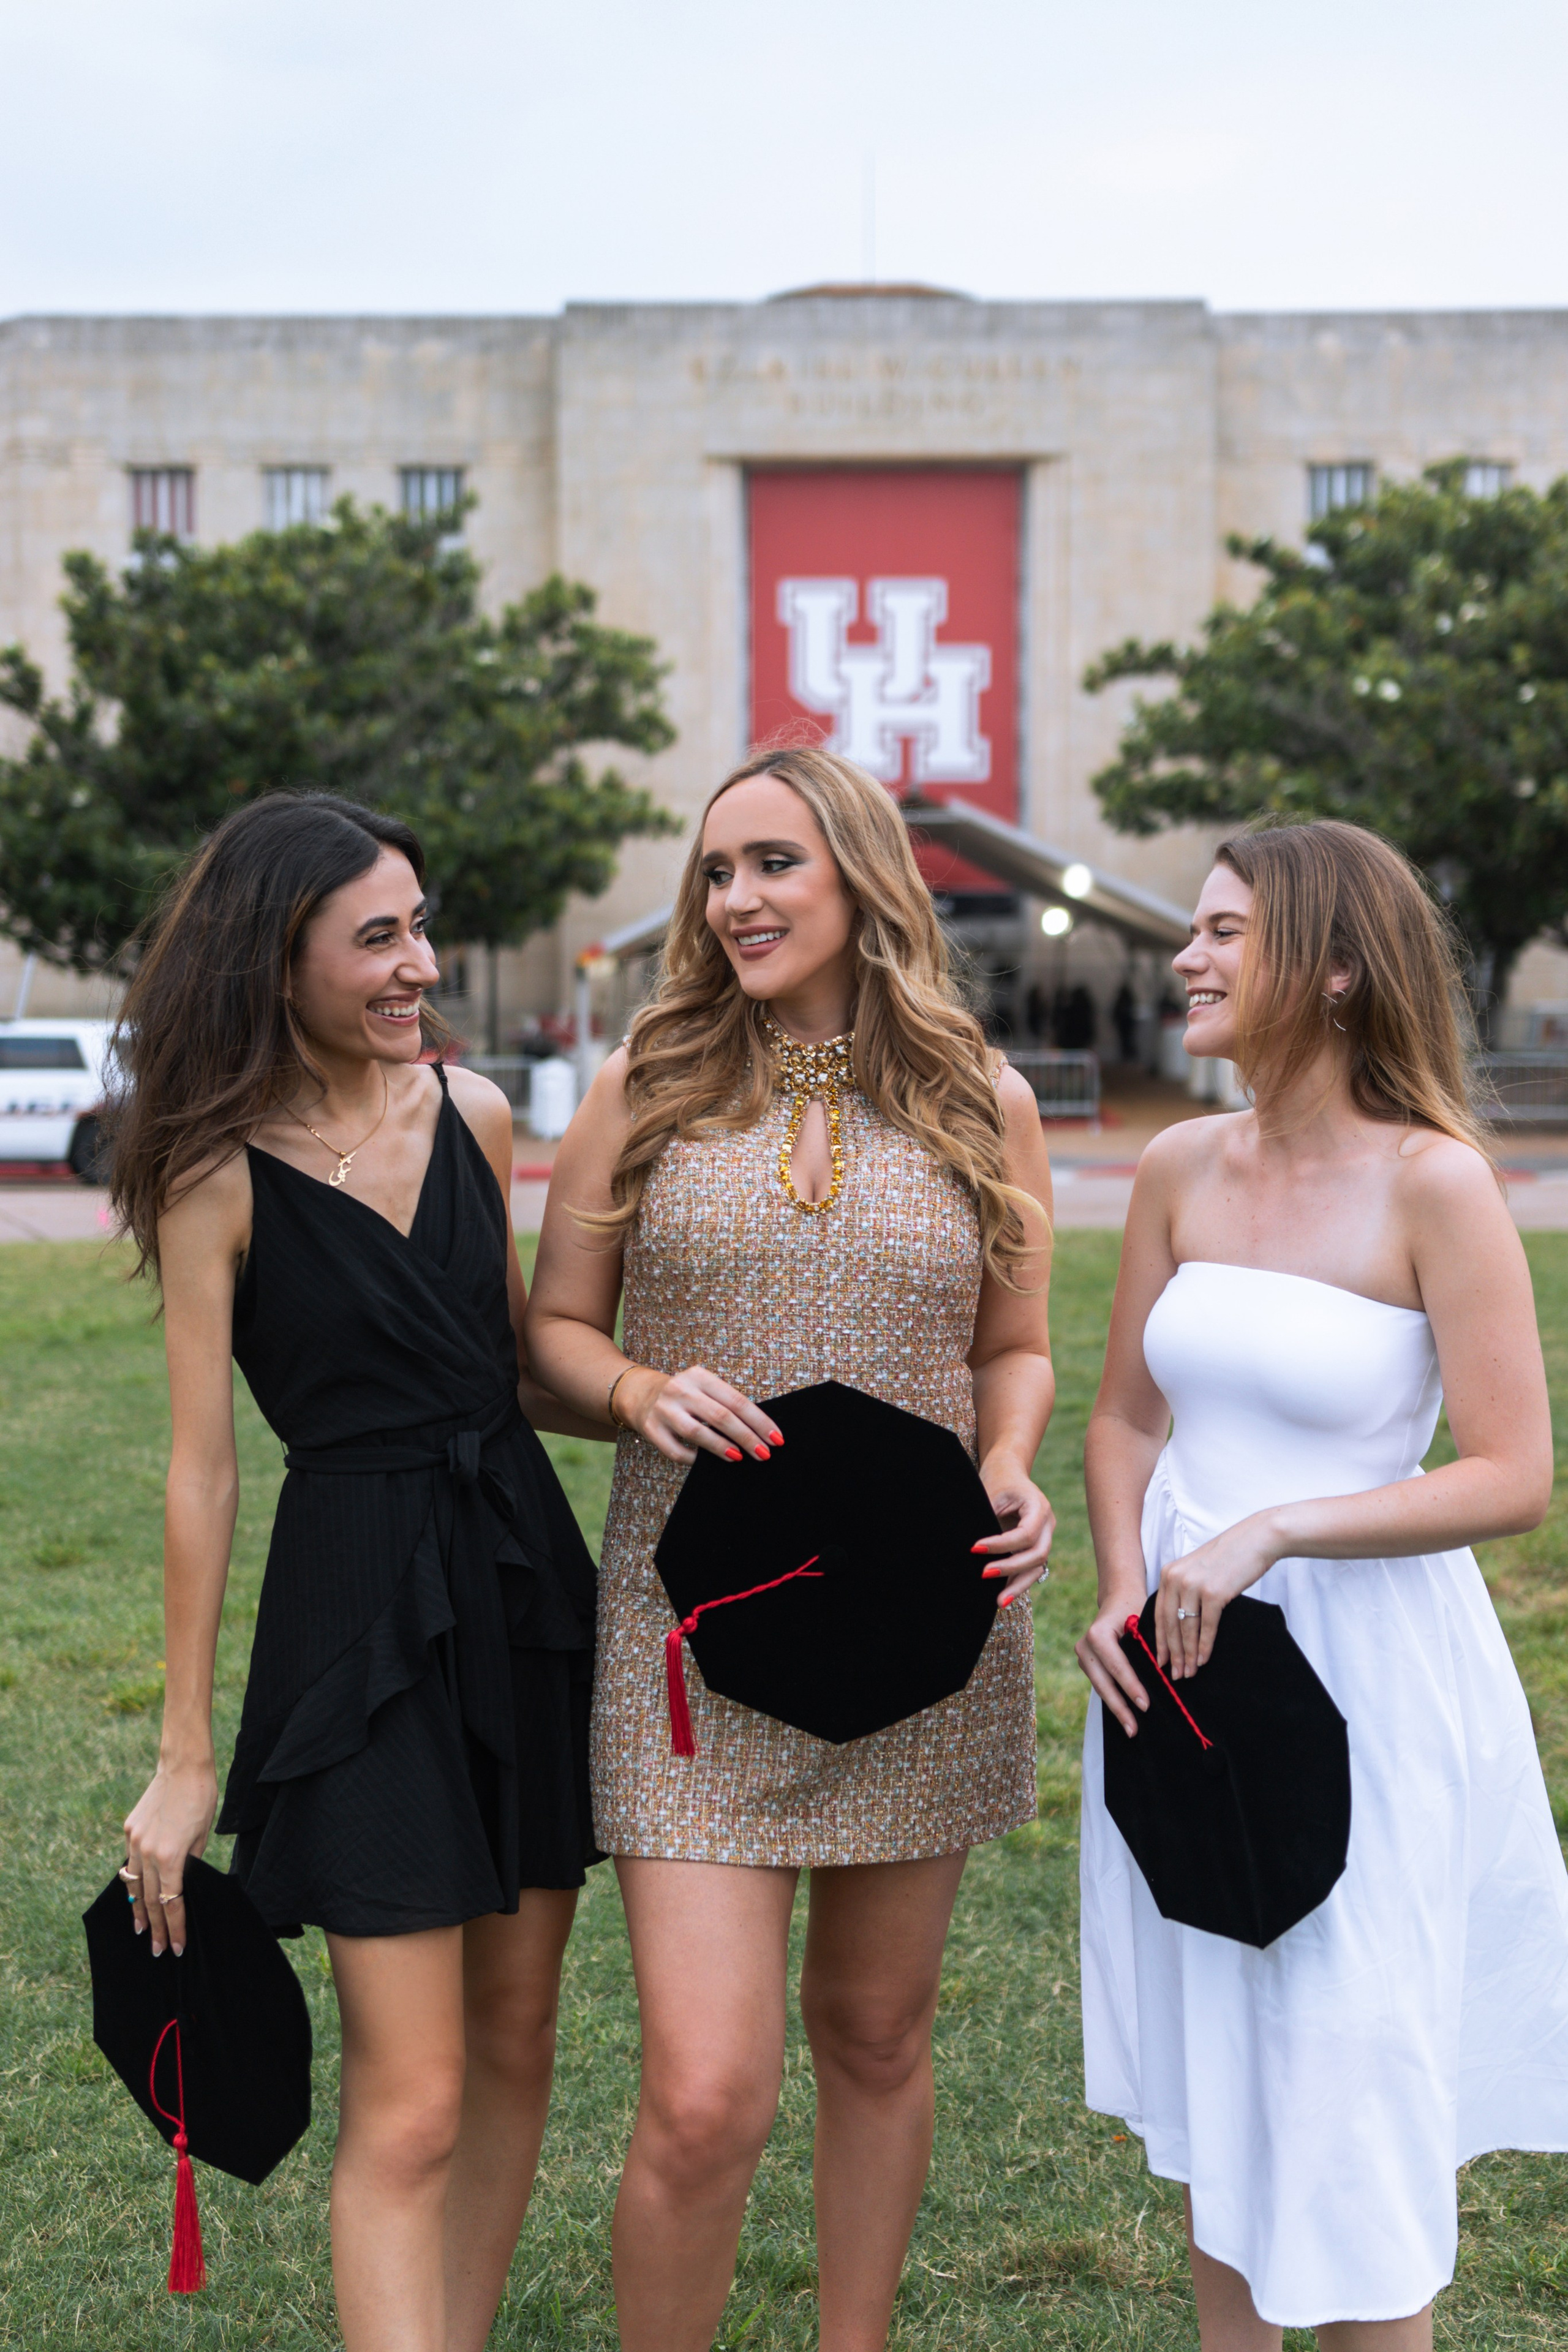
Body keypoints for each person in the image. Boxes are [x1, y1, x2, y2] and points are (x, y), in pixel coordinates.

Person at [524, 745, 1055, 2352]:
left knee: (880, 2037)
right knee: (703, 2094)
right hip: (694, 1644)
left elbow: (1014, 1348)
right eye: (715, 871)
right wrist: (630, 1385)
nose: (734, 900)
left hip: (922, 1626)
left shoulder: (985, 1096)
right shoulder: (647, 1085)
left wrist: (1014, 1464)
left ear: (862, 879)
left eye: (771, 865)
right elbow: (548, 1335)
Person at [112, 793, 606, 2352]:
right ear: (278, 961)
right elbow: (203, 1469)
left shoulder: (472, 1116)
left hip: (523, 1583)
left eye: (418, 925)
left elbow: (513, 1363)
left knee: (518, 2031)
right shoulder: (215, 1175)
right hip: (358, 1610)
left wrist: (651, 1390)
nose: (419, 964)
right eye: (376, 935)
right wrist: (186, 1757)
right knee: (412, 2099)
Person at [1076, 819, 1568, 2350]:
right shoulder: (1173, 1165)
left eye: (1225, 931)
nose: (1187, 956)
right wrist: (1116, 1579)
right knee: (1224, 2091)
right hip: (1175, 1676)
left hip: (1363, 1684)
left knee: (1348, 2101)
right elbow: (1122, 1418)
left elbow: (1509, 1473)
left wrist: (1273, 1529)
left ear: (1336, 967)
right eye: (1193, 930)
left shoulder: (1435, 1184)